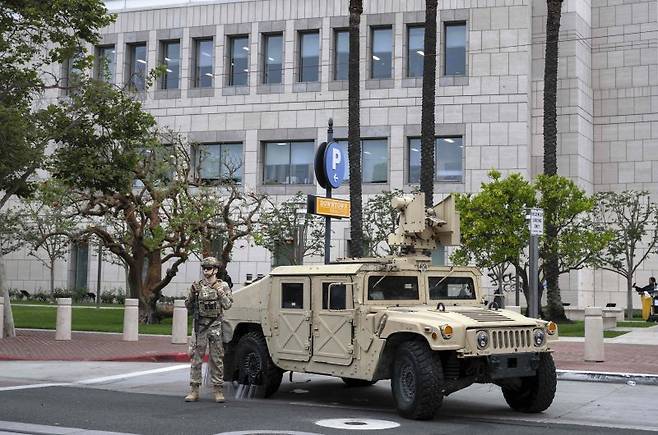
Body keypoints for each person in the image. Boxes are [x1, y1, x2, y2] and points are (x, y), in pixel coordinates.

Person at [184, 256, 233, 403]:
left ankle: (218, 389)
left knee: (217, 358)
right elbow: (188, 306)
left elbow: (228, 305)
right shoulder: (197, 286)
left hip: (215, 326)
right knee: (196, 358)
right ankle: (194, 389)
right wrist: (192, 294)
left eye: (209, 268)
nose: (206, 271)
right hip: (200, 326)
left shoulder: (222, 285)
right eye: (204, 268)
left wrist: (220, 291)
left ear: (215, 270)